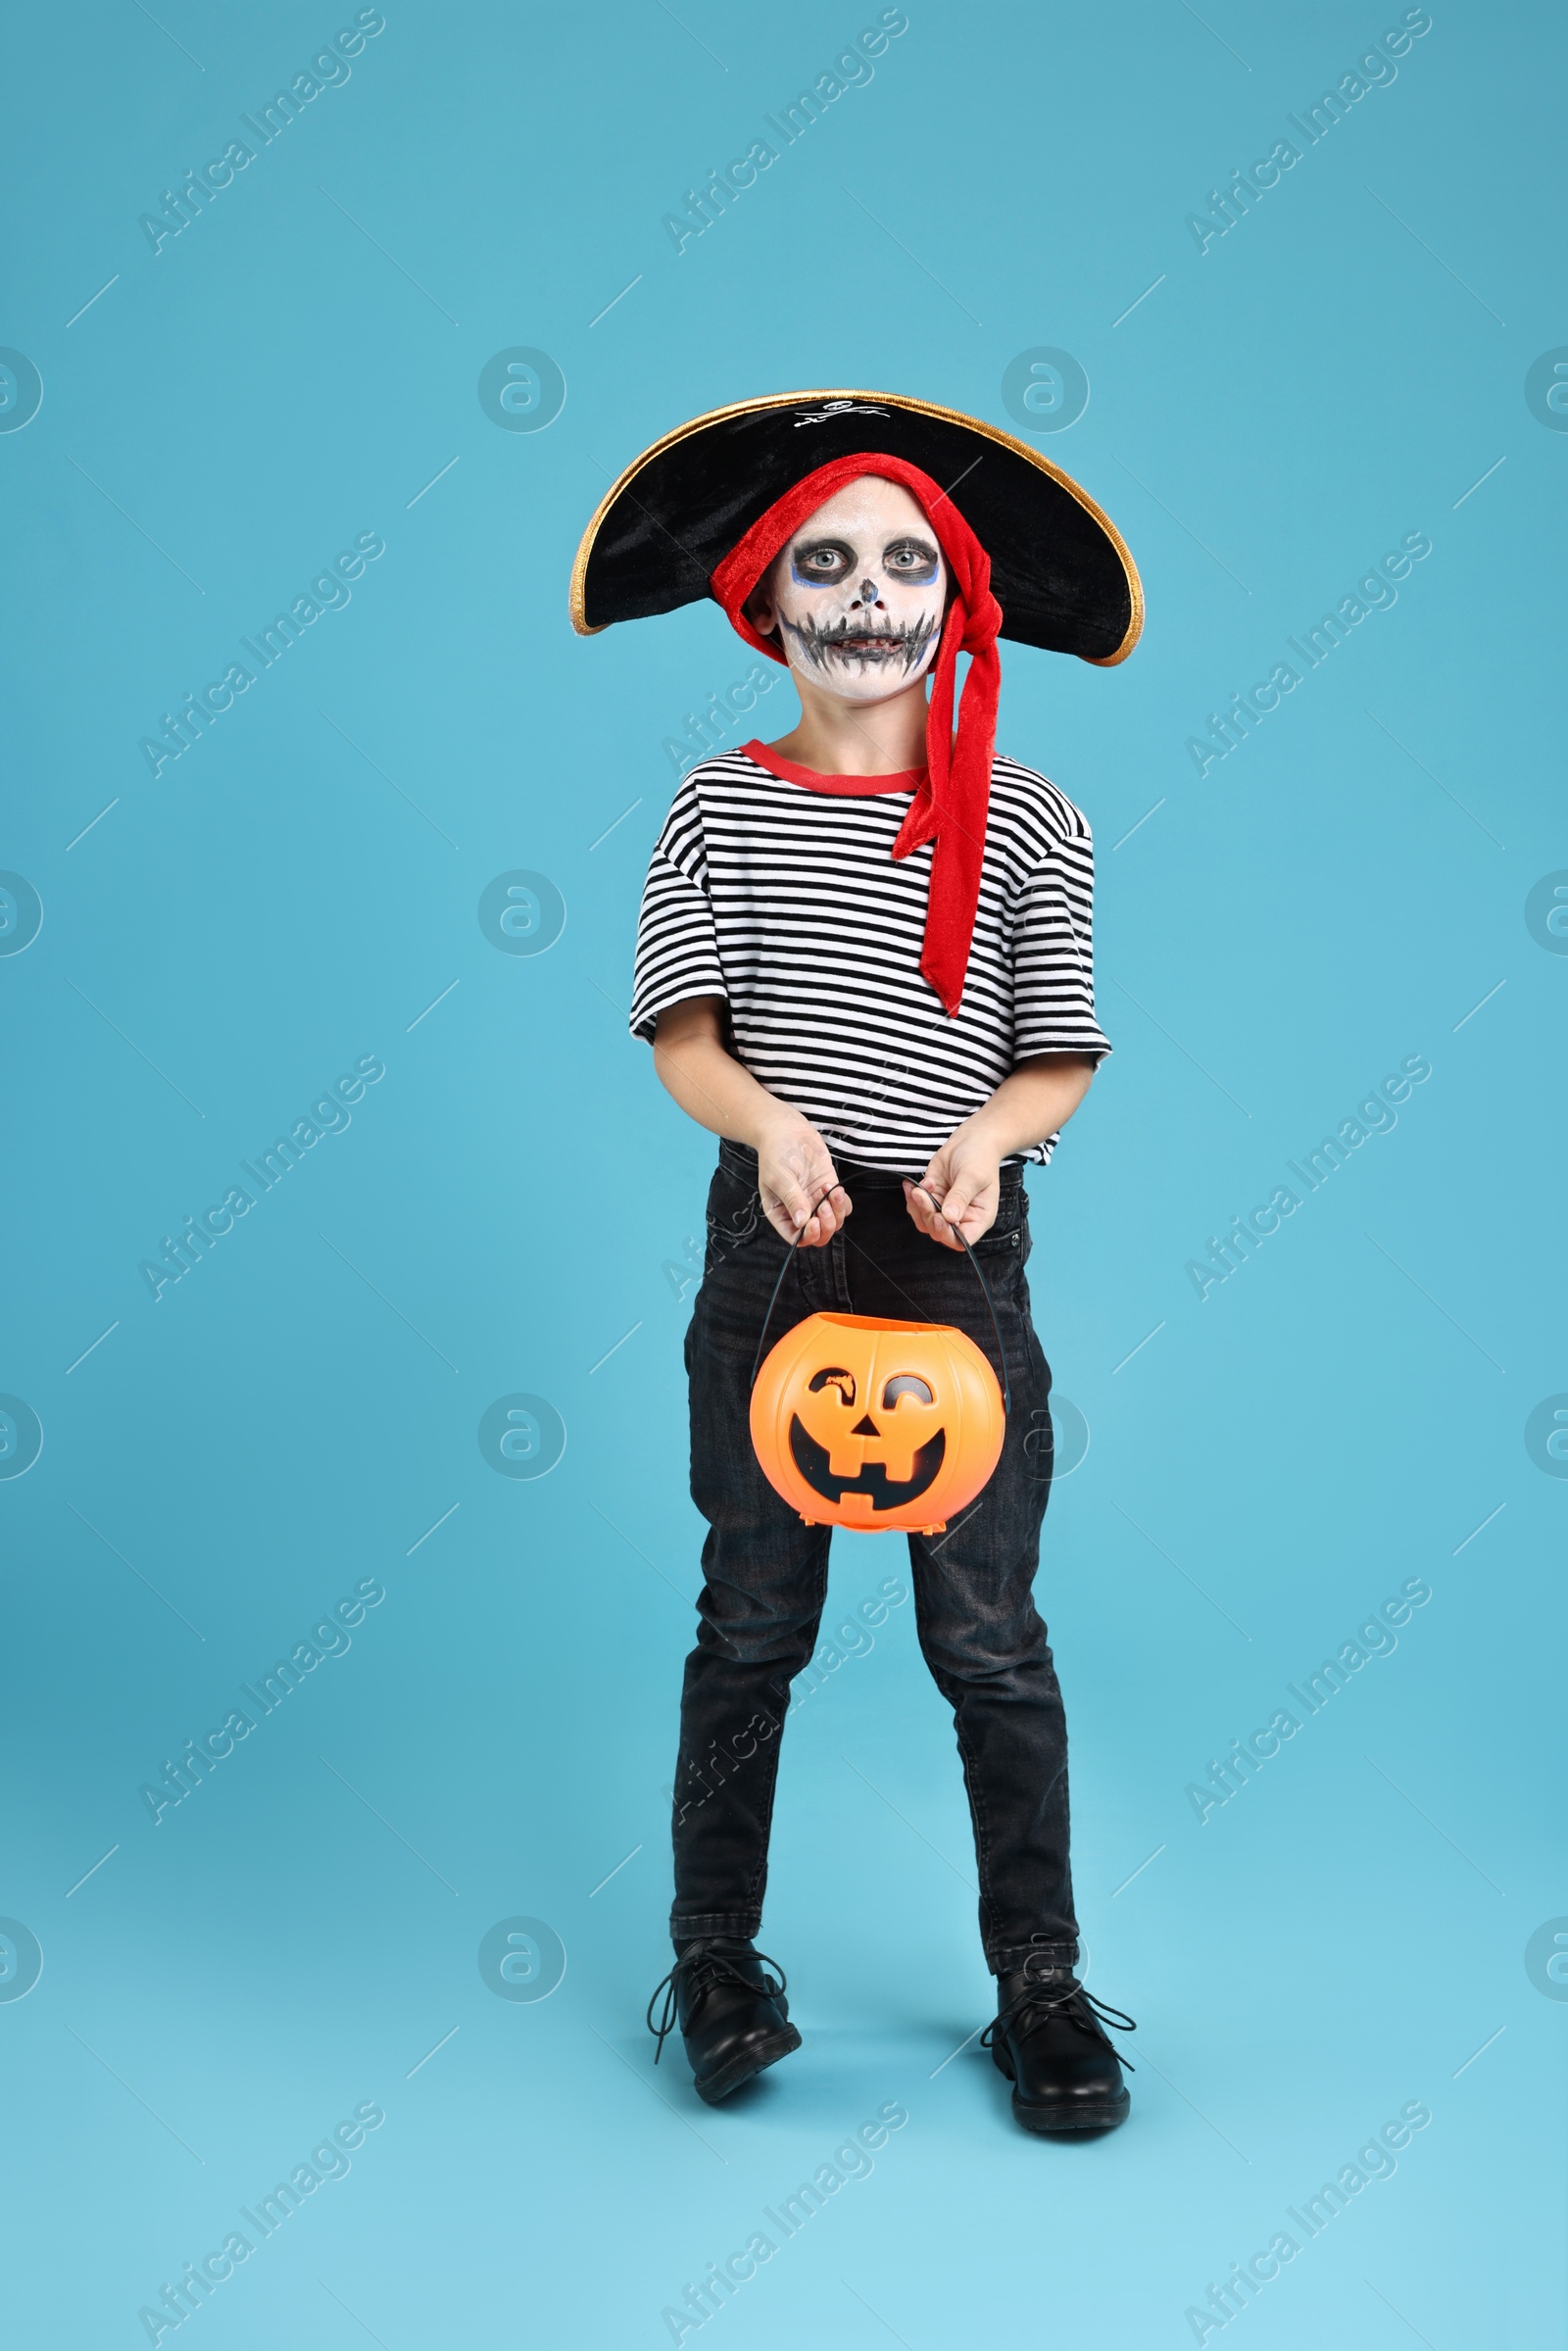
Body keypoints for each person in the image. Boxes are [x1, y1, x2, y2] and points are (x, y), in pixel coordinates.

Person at [571, 393, 1143, 2133]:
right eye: (830, 560)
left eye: (908, 561)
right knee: (751, 1622)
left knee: (988, 1636)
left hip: (959, 1258)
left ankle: (1039, 1986)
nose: (870, 594)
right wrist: (765, 1126)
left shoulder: (1031, 816)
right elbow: (680, 1035)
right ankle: (719, 1961)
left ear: (956, 604)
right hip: (778, 1250)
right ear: (768, 601)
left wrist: (988, 1139)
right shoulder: (713, 808)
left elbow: (1058, 1047)